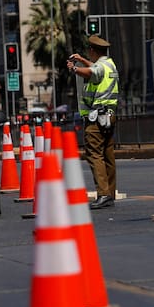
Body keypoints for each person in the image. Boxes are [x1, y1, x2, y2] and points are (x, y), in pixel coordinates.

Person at [67, 34, 119, 209]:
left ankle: (103, 194)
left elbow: (93, 72)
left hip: (97, 118)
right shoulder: (109, 64)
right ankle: (110, 193)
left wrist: (74, 69)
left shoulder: (100, 67)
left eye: (88, 52)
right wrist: (81, 60)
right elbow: (96, 69)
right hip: (109, 116)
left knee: (95, 154)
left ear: (93, 50)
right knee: (107, 155)